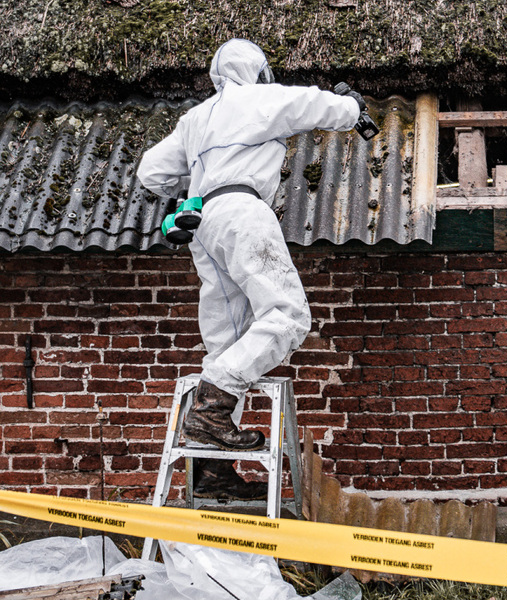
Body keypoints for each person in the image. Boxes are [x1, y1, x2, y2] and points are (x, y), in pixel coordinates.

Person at [137, 39, 364, 499]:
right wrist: (352, 108)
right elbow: (315, 104)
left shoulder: (195, 118)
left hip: (202, 223)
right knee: (288, 316)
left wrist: (204, 171)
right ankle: (210, 407)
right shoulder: (259, 98)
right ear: (258, 71)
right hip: (243, 209)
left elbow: (150, 173)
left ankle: (212, 472)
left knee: (225, 341)